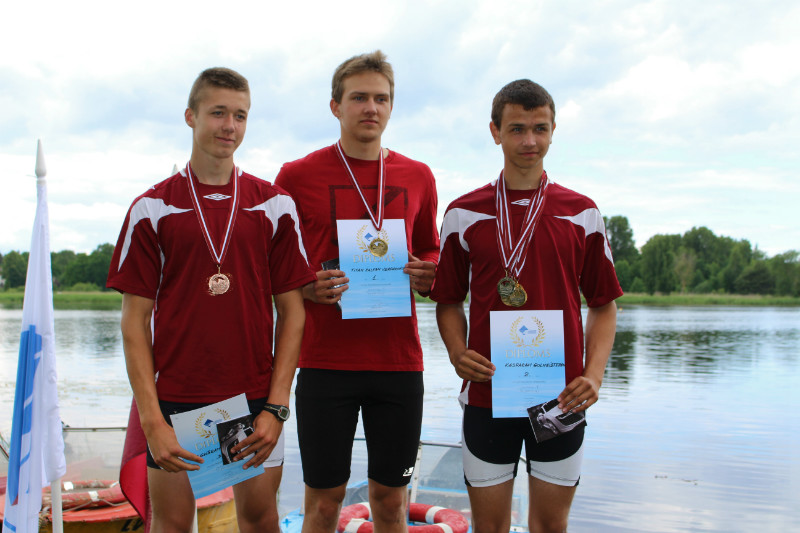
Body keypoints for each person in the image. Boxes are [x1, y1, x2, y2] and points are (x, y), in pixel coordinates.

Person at [107, 67, 315, 533]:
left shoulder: (274, 205)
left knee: (259, 520)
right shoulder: (152, 208)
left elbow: (293, 314)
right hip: (176, 398)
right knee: (173, 524)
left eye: (240, 115)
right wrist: (152, 419)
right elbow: (134, 322)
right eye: (218, 113)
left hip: (252, 398)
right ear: (191, 116)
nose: (230, 126)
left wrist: (276, 407)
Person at [430, 79, 622, 533]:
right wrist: (456, 352)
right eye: (517, 129)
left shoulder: (582, 213)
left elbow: (604, 305)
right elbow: (448, 301)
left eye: (540, 128)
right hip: (488, 393)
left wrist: (594, 375)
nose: (530, 141)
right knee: (489, 527)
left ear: (554, 131)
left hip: (560, 398)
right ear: (495, 132)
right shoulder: (463, 213)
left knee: (550, 526)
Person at [274, 50, 440, 532]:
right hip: (325, 363)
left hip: (398, 363)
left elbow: (430, 248)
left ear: (391, 106)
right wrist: (306, 286)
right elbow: (275, 263)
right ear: (336, 106)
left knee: (390, 501)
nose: (371, 108)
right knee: (324, 504)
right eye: (359, 98)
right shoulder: (296, 176)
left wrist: (430, 272)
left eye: (381, 99)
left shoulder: (418, 175)